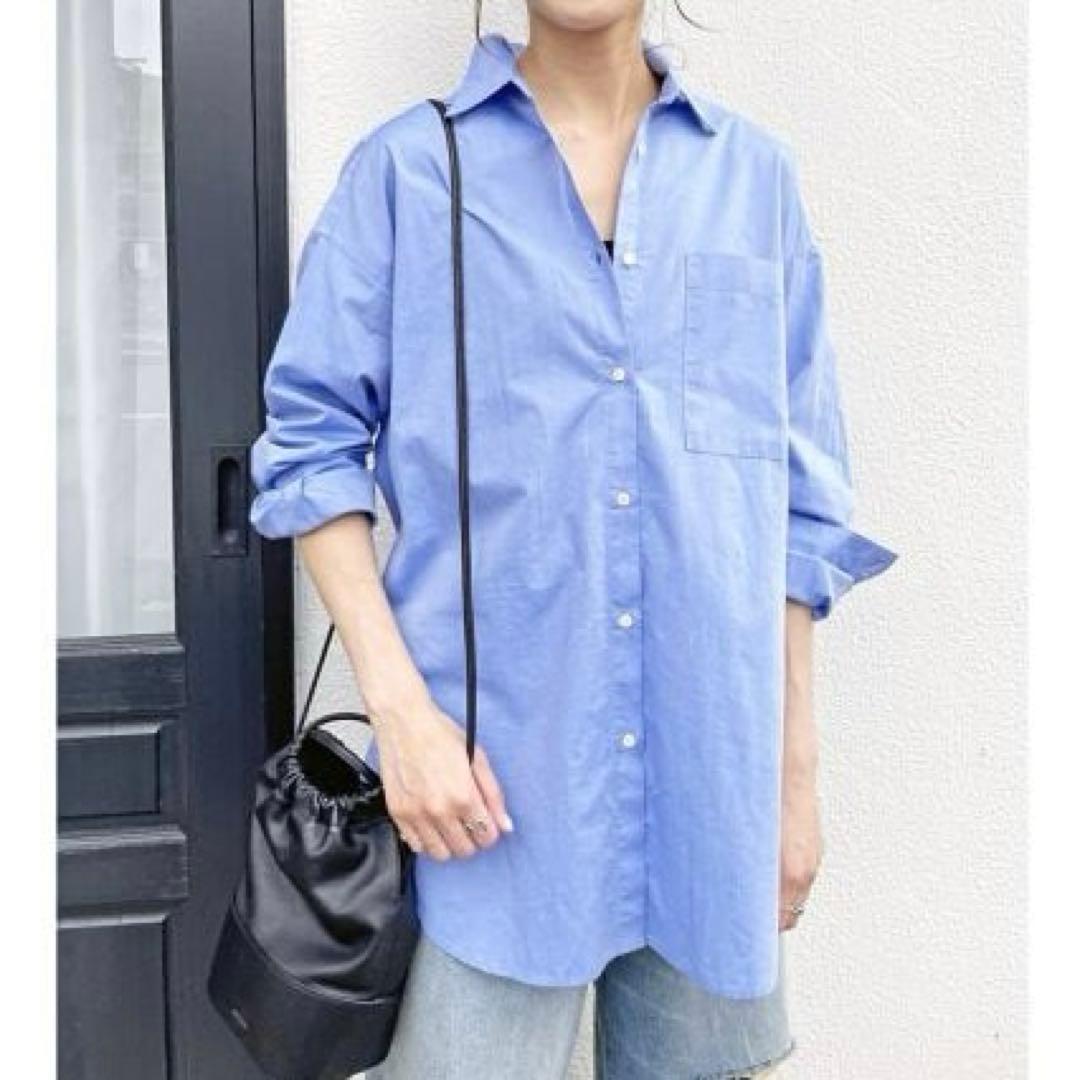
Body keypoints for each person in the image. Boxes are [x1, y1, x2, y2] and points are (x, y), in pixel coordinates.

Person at [248, 2, 899, 1076]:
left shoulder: (753, 181)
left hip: (709, 800)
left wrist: (793, 779)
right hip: (482, 806)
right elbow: (309, 450)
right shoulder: (408, 174)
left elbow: (798, 505)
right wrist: (402, 721)